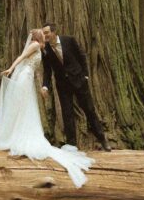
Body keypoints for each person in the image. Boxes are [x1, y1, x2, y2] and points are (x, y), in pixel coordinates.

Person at [0, 28, 94, 188]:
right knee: (23, 107)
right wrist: (11, 68)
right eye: (42, 34)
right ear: (38, 37)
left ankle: (17, 133)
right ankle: (16, 135)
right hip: (24, 77)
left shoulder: (40, 48)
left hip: (28, 78)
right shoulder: (35, 46)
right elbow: (21, 57)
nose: (44, 36)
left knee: (25, 107)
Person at [41, 23, 111, 151]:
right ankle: (72, 145)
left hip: (79, 81)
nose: (45, 35)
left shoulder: (69, 40)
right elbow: (47, 70)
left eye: (47, 32)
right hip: (62, 85)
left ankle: (102, 139)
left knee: (89, 110)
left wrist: (85, 75)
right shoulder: (44, 49)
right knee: (67, 114)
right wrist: (45, 86)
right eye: (43, 33)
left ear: (54, 32)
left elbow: (82, 56)